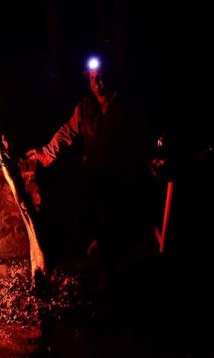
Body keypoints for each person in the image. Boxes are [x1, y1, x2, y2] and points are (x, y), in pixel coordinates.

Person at [26, 55, 156, 291]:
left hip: (122, 179)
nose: (98, 82)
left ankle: (114, 282)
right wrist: (45, 154)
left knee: (116, 229)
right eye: (94, 78)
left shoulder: (125, 107)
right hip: (95, 178)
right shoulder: (85, 108)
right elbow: (67, 132)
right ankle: (101, 276)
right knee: (94, 227)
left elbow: (141, 138)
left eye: (102, 77)